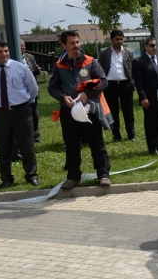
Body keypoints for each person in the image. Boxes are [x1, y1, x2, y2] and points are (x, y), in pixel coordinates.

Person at [48, 30, 111, 190]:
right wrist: (63, 98)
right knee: (72, 145)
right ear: (63, 45)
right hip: (69, 113)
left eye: (77, 42)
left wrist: (87, 93)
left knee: (97, 143)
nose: (76, 45)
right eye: (72, 43)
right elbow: (52, 88)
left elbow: (103, 81)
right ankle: (73, 176)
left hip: (90, 110)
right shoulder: (59, 65)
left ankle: (103, 174)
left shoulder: (90, 61)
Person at [0, 41, 39, 188]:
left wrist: (25, 103)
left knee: (27, 145)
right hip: (0, 113)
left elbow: (33, 88)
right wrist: (0, 104)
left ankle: (31, 175)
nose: (4, 54)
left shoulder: (20, 68)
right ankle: (6, 178)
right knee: (3, 146)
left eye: (6, 51)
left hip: (21, 111)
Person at [98, 29, 137, 142]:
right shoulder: (104, 52)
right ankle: (116, 136)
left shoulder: (129, 52)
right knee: (113, 112)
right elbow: (99, 68)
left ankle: (131, 135)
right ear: (111, 39)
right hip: (110, 86)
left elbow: (133, 68)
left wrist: (133, 81)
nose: (119, 41)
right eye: (117, 39)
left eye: (121, 39)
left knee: (128, 112)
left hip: (126, 85)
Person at [19, 39, 42, 143]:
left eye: (23, 49)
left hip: (32, 90)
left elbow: (37, 70)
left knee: (35, 114)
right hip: (20, 91)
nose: (22, 51)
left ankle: (36, 136)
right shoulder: (12, 58)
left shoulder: (30, 57)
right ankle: (25, 136)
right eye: (20, 49)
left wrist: (37, 70)